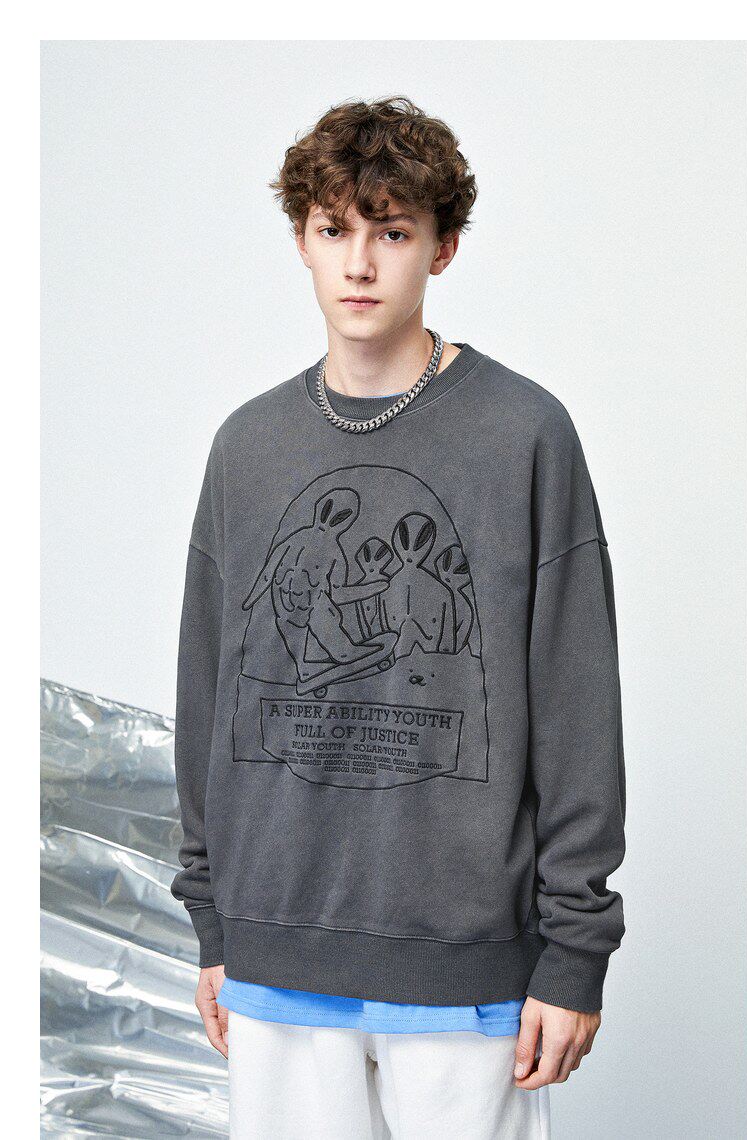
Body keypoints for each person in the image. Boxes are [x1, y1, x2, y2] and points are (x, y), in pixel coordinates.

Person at [171, 96, 626, 1139]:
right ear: (301, 241)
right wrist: (214, 923)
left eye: (391, 231)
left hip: (464, 958)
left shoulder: (524, 434)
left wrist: (573, 952)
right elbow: (207, 690)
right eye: (334, 229)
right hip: (277, 949)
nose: (359, 264)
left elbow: (575, 700)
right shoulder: (248, 447)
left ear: (442, 247)